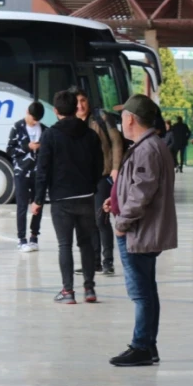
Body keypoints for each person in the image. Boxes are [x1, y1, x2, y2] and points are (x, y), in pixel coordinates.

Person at [104, 95, 177, 367]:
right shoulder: (147, 146)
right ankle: (148, 345)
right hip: (140, 229)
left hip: (138, 231)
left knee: (141, 294)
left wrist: (122, 223)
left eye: (123, 116)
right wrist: (116, 199)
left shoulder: (147, 149)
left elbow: (142, 194)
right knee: (147, 290)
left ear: (131, 118)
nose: (121, 120)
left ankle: (142, 346)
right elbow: (137, 189)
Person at [32, 90, 104, 304]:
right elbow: (99, 165)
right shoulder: (91, 134)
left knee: (65, 245)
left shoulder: (50, 135)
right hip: (86, 196)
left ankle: (68, 291)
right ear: (76, 108)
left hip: (61, 200)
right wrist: (90, 186)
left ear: (55, 111)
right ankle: (89, 289)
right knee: (86, 243)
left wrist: (37, 200)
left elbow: (42, 170)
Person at [72, 87, 124, 276]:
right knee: (87, 222)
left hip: (102, 175)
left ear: (88, 101)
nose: (80, 105)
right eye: (76, 102)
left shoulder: (101, 117)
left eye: (83, 101)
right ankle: (93, 262)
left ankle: (107, 261)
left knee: (101, 218)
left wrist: (116, 167)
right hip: (82, 178)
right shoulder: (72, 122)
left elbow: (117, 141)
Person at [6, 101, 47, 252]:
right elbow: (9, 150)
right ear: (27, 112)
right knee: (22, 205)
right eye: (32, 118)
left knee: (38, 204)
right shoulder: (17, 127)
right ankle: (21, 239)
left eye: (37, 120)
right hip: (21, 172)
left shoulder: (44, 130)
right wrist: (27, 147)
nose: (34, 121)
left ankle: (34, 236)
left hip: (38, 173)